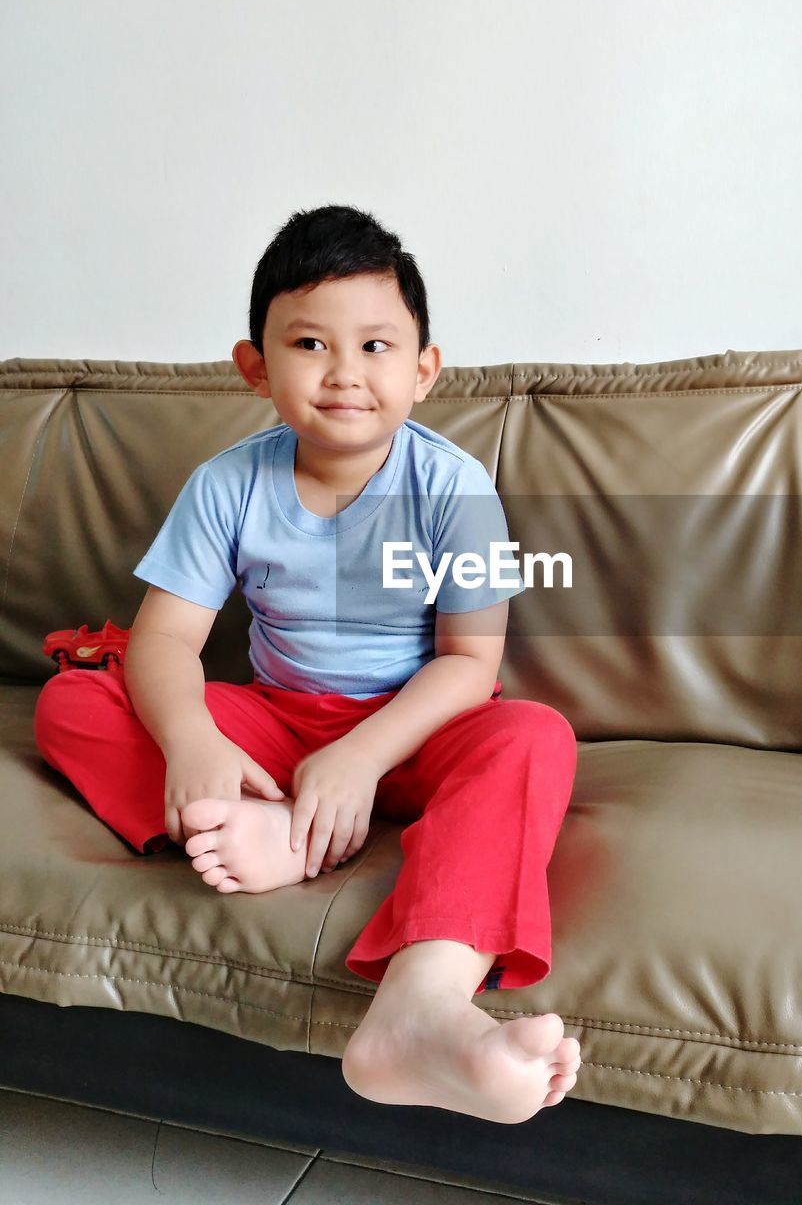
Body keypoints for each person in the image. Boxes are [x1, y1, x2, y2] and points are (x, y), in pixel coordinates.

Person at [34, 204, 581, 1124]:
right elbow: (165, 640)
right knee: (75, 703)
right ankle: (275, 824)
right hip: (279, 723)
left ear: (424, 370)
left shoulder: (454, 488)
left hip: (411, 730)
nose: (345, 374)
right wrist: (193, 742)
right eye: (310, 344)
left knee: (533, 735)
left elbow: (470, 663)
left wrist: (363, 756)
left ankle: (420, 1006)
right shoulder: (227, 483)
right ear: (255, 366)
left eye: (376, 346)